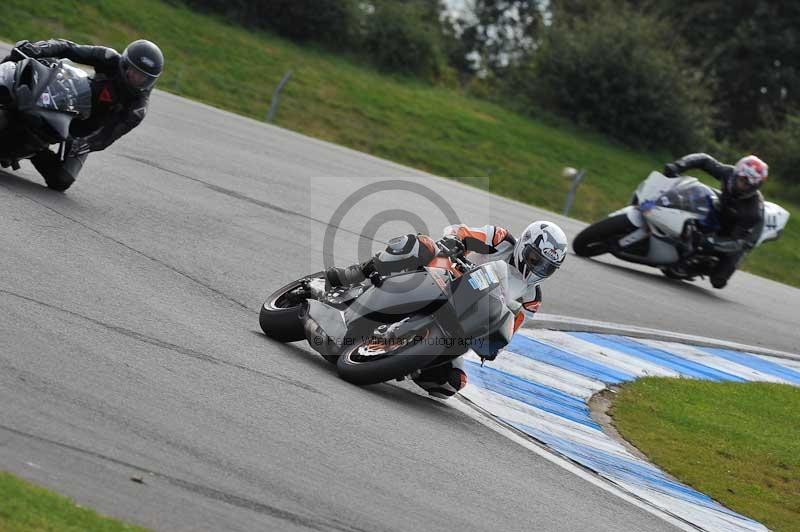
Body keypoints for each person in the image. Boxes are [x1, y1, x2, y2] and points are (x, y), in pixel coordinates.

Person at [327, 221, 568, 399]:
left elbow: (510, 331)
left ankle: (402, 354)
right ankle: (356, 273)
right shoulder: (500, 240)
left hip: (462, 320)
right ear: (524, 246)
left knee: (451, 384)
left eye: (547, 267)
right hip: (446, 277)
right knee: (421, 246)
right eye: (535, 259)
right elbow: (460, 232)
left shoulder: (531, 298)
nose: (537, 269)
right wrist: (455, 242)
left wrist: (493, 345)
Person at [1, 38, 163, 190]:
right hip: (71, 96)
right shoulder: (109, 58)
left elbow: (107, 136)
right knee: (19, 60)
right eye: (133, 72)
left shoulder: (137, 109)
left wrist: (86, 143)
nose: (136, 78)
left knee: (61, 180)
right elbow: (68, 48)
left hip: (84, 132)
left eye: (143, 77)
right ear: (125, 63)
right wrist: (38, 48)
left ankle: (35, 149)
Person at [663, 153, 768, 289]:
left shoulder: (752, 212)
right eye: (741, 179)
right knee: (694, 197)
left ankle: (698, 265)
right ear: (736, 173)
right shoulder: (728, 173)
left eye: (748, 183)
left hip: (741, 237)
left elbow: (738, 242)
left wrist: (712, 242)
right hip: (723, 208)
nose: (743, 185)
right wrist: (678, 166)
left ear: (755, 186)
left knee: (718, 281)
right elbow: (704, 160)